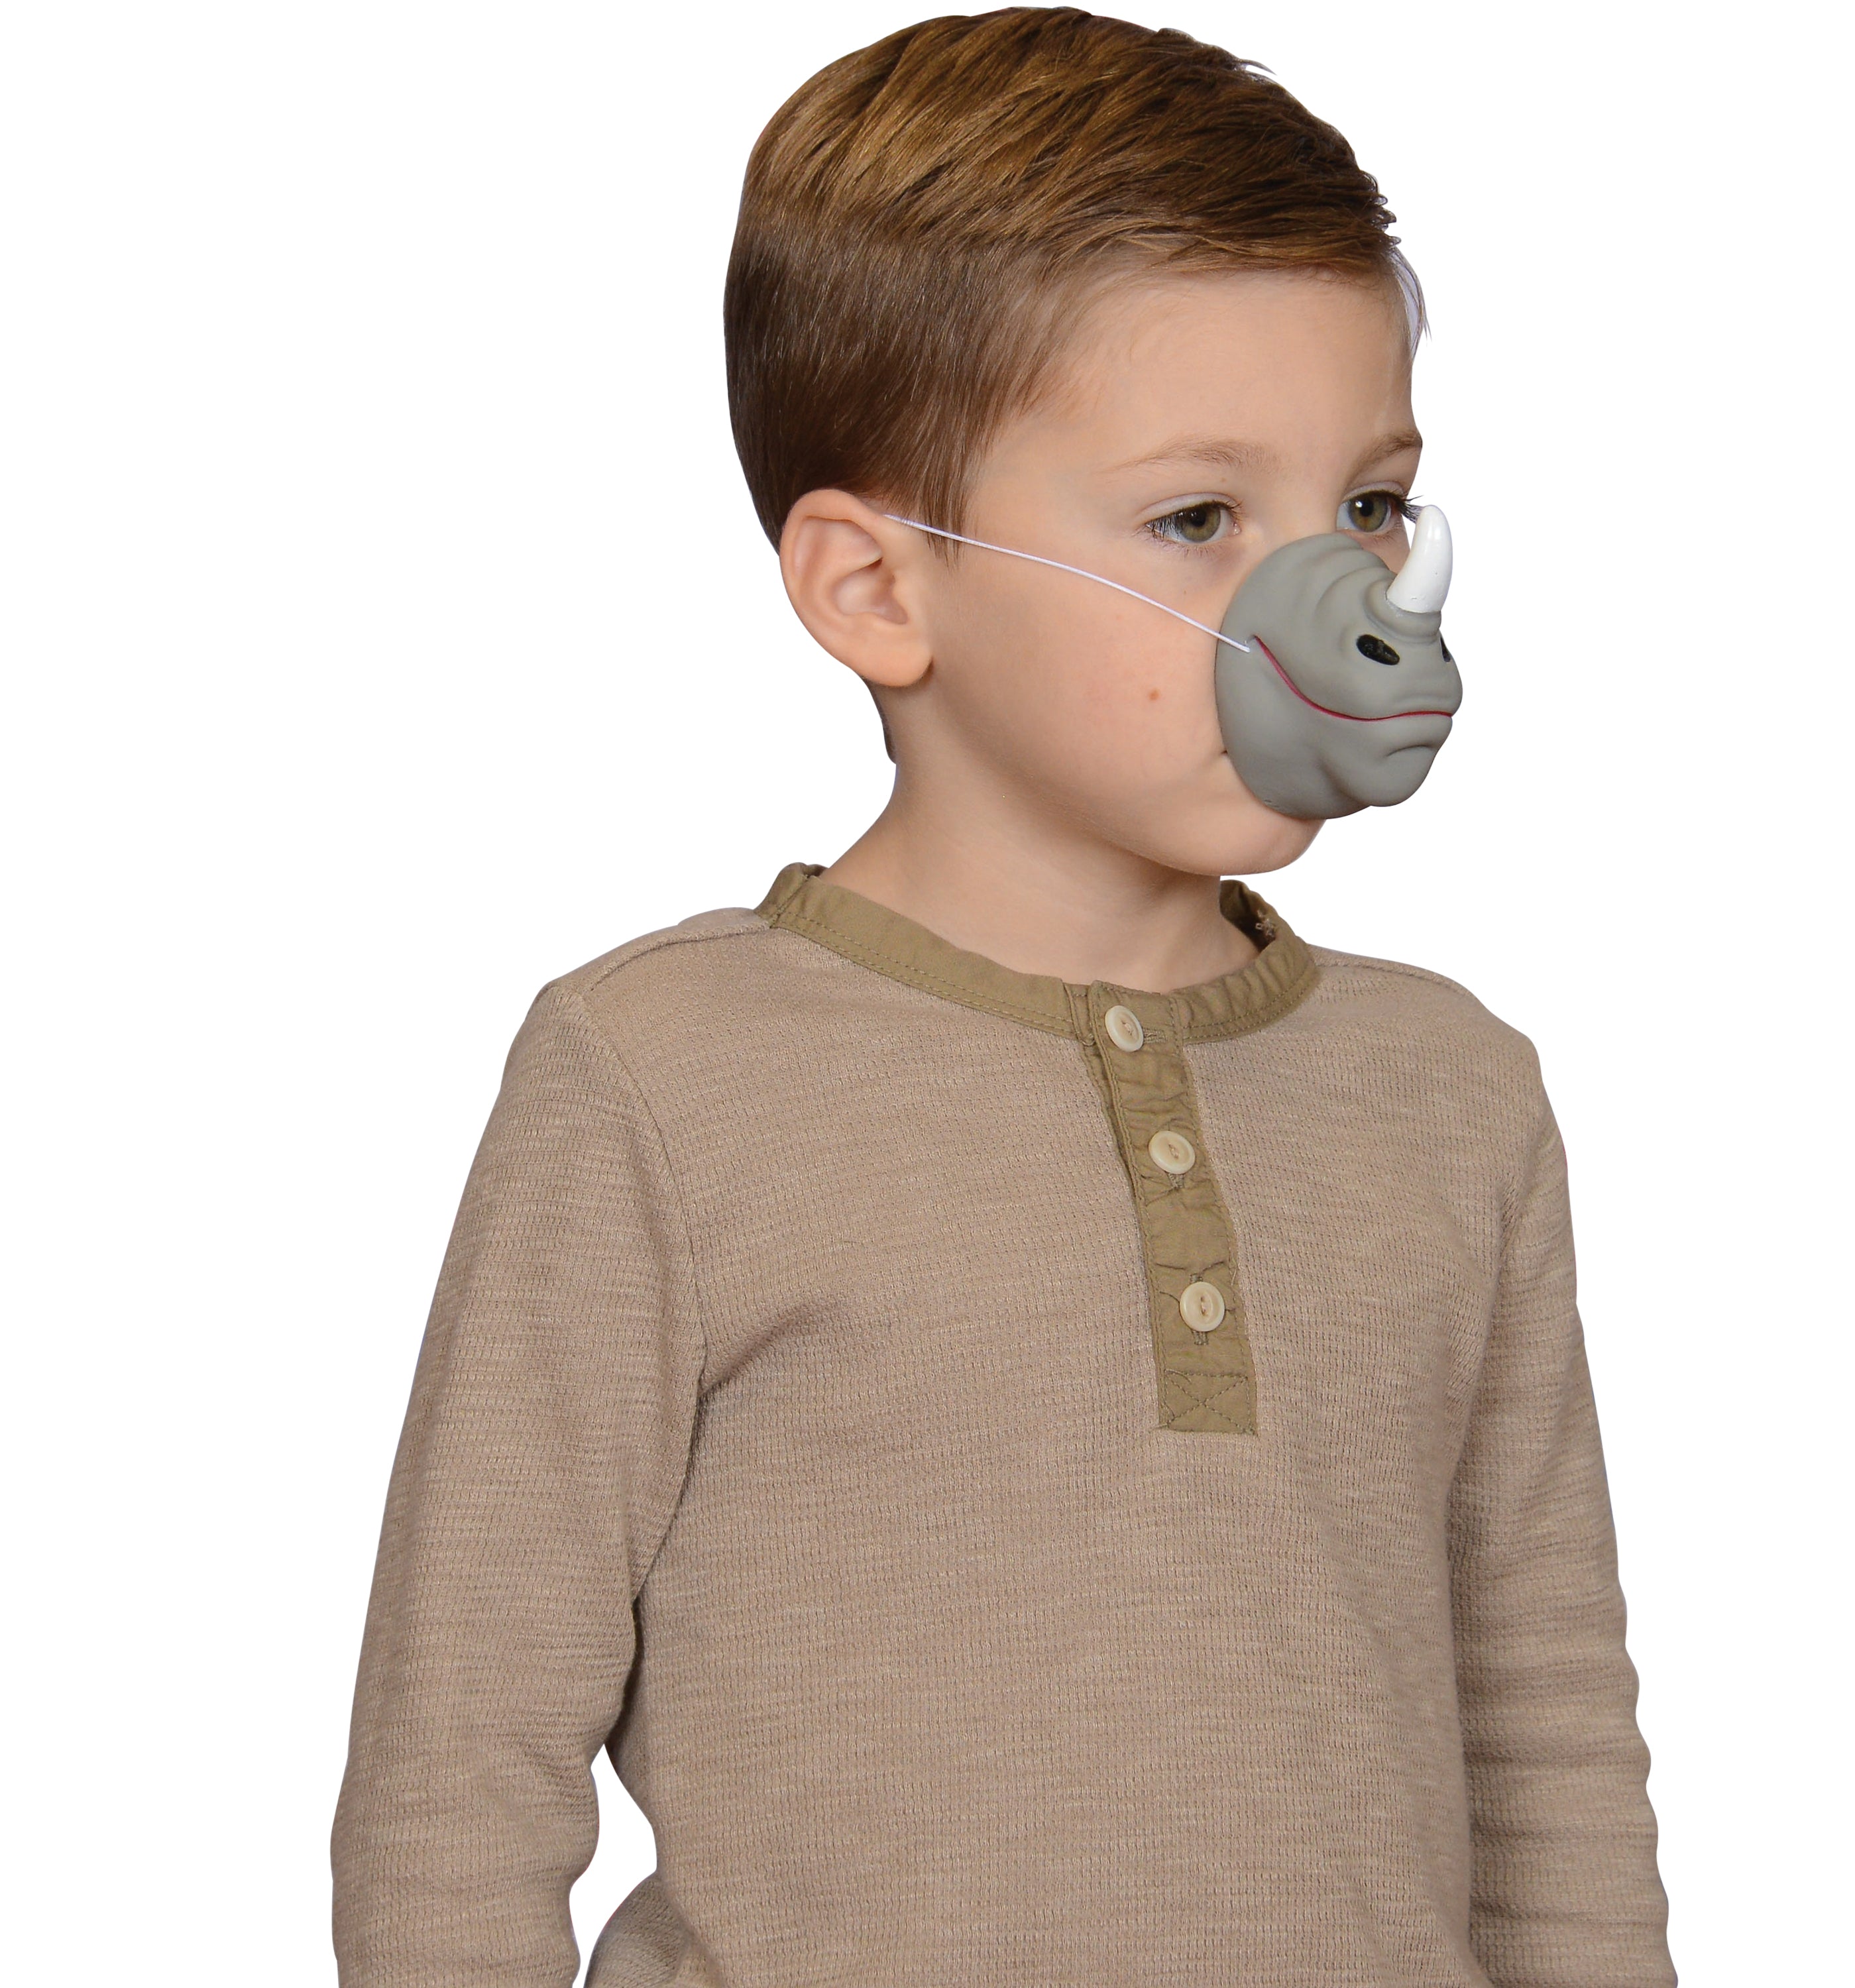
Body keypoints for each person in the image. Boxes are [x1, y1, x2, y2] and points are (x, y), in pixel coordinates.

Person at [331, 11, 1674, 1985]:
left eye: (1371, 507)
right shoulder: (659, 1080)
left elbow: (1546, 1723)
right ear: (878, 589)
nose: (1343, 600)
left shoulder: (1449, 1091)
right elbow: (459, 1768)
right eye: (1199, 520)